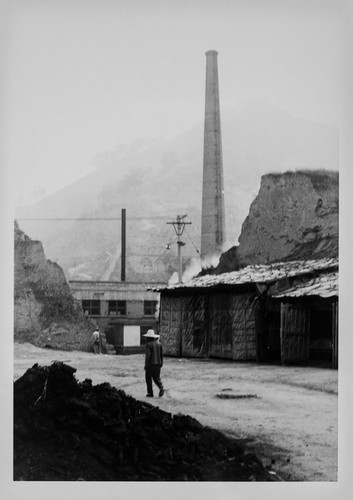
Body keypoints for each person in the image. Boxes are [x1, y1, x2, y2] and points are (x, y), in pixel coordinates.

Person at [143, 329, 164, 398]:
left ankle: (150, 393)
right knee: (156, 378)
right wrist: (161, 363)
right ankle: (161, 387)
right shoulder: (159, 344)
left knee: (148, 378)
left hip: (151, 364)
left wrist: (146, 365)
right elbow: (161, 355)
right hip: (158, 363)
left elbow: (148, 356)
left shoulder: (148, 345)